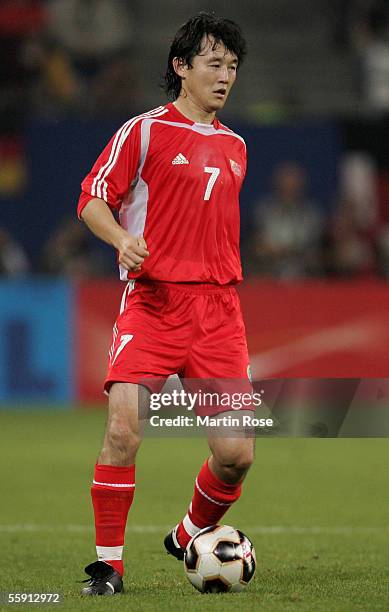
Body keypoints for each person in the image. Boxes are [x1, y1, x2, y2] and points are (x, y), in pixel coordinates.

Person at [77, 12, 253, 596]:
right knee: (124, 430)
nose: (224, 76)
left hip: (219, 314)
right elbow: (93, 199)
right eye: (213, 64)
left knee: (236, 456)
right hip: (151, 305)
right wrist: (122, 239)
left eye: (231, 66)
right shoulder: (144, 131)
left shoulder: (237, 146)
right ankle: (108, 567)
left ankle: (188, 533)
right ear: (181, 67)